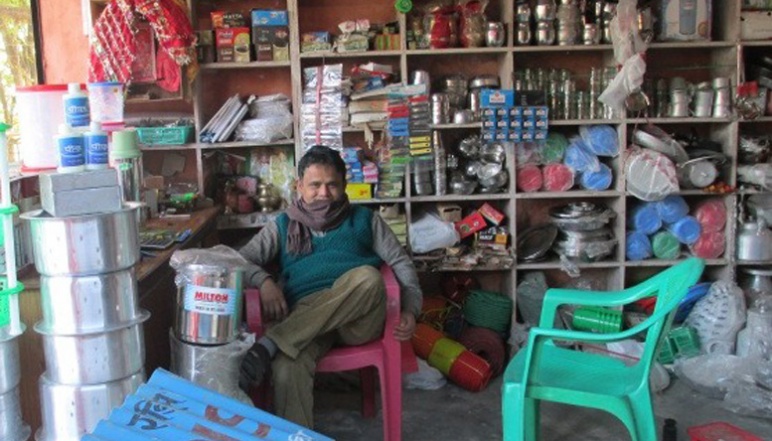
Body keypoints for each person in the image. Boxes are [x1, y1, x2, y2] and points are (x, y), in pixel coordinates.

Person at [238, 145, 423, 428]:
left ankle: (272, 342)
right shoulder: (283, 225)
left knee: (368, 278)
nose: (324, 193)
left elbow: (401, 265)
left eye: (332, 185)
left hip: (358, 321)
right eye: (315, 185)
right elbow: (238, 261)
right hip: (307, 324)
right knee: (287, 369)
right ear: (299, 186)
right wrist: (262, 281)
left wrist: (411, 308)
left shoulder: (365, 220)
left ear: (344, 185)